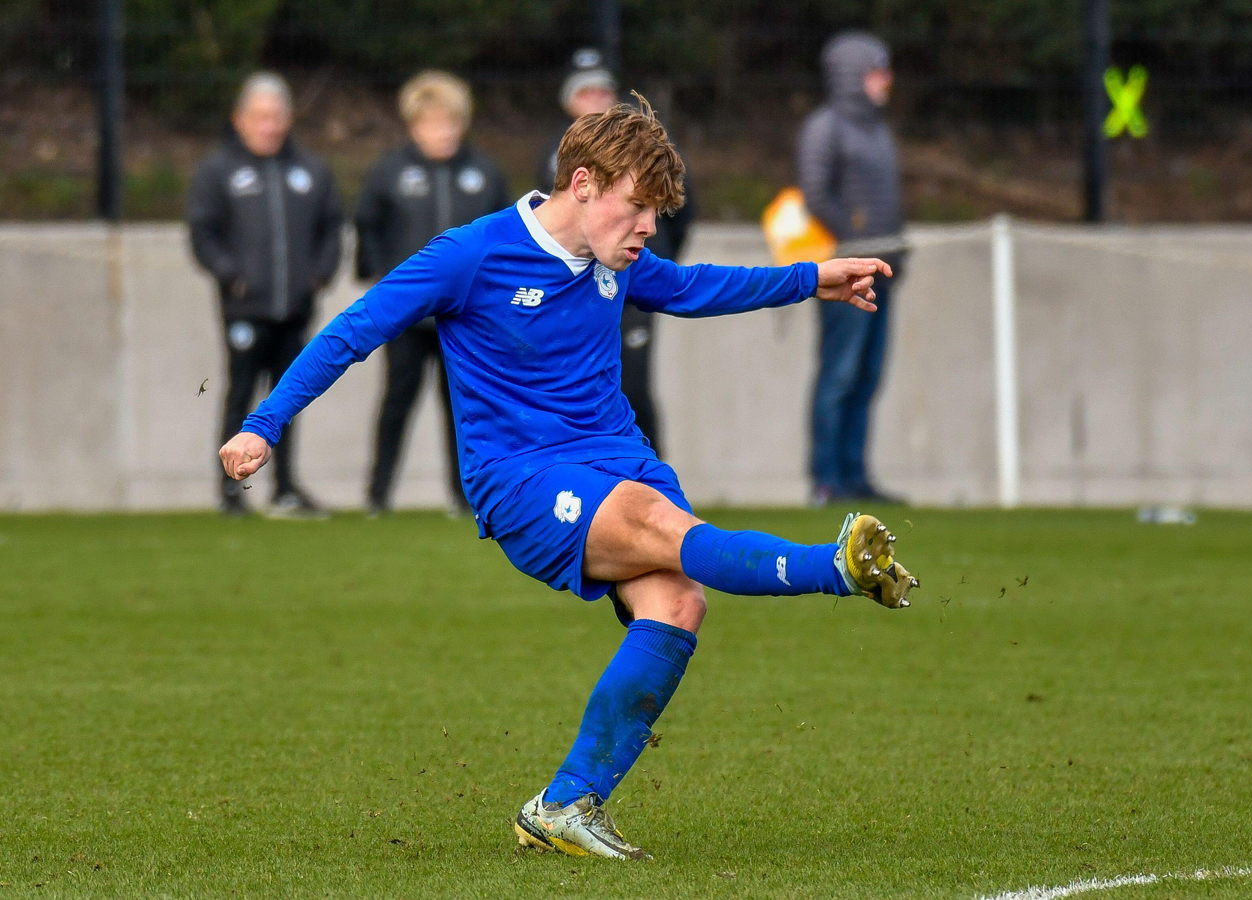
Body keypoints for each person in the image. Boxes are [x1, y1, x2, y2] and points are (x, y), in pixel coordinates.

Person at [219, 100, 918, 860]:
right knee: (662, 526)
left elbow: (693, 286)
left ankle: (563, 806)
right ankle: (835, 567)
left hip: (618, 458)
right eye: (639, 207)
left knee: (680, 604)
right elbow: (354, 330)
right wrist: (264, 423)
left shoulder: (617, 260)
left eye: (656, 212)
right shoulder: (472, 254)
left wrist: (813, 277)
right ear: (582, 183)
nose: (648, 227)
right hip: (521, 478)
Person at [187, 72, 343, 519]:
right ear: (240, 120)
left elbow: (331, 226)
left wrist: (321, 273)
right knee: (240, 395)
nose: (269, 125)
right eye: (259, 116)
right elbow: (202, 232)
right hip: (244, 309)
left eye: (276, 116)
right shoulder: (219, 170)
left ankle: (285, 488)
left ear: (288, 119)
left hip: (296, 308)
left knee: (289, 397)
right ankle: (231, 489)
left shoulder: (311, 171)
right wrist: (230, 274)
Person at [355, 71, 510, 516]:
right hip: (406, 317)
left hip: (467, 319)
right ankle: (378, 496)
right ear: (413, 125)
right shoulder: (389, 172)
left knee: (464, 408)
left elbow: (508, 237)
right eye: (432, 122)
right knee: (396, 400)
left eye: (450, 122)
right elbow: (368, 227)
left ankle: (465, 498)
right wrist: (385, 284)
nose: (442, 132)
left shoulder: (484, 173)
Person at [538, 49, 696, 454]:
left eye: (601, 91)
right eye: (584, 92)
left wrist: (650, 258)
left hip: (629, 283)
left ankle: (653, 482)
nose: (594, 100)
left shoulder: (645, 150)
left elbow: (681, 207)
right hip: (575, 288)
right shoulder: (555, 155)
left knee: (634, 387)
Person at [797, 32, 907, 506]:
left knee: (867, 376)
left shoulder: (878, 130)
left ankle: (856, 476)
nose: (887, 81)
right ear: (853, 76)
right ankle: (827, 480)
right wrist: (857, 248)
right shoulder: (825, 127)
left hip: (883, 275)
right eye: (878, 71)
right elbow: (816, 195)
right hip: (844, 277)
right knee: (838, 374)